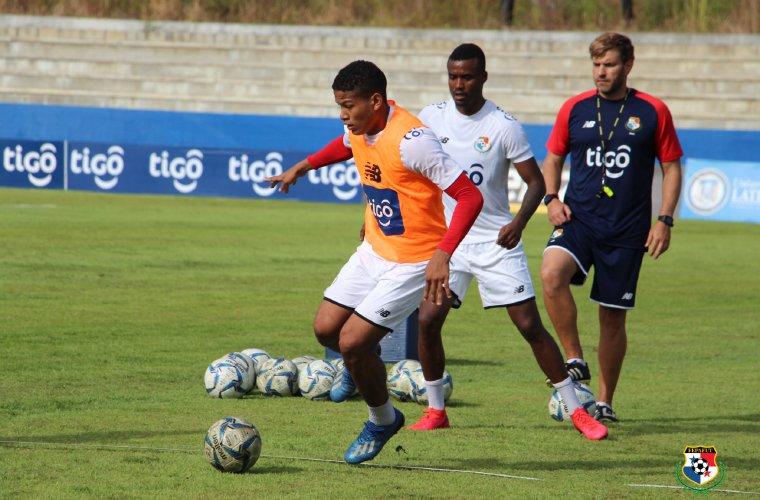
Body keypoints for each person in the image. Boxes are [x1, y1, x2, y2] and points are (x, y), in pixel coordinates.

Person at [267, 60, 484, 464]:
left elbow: (470, 196)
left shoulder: (413, 141)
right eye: (339, 106)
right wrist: (304, 166)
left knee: (353, 342)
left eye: (348, 106)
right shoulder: (359, 126)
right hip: (374, 250)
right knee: (326, 330)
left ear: (376, 101)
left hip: (414, 261)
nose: (343, 115)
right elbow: (345, 145)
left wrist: (443, 254)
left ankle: (382, 419)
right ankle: (360, 367)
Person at [406, 43, 607, 441]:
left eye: (467, 77)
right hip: (451, 243)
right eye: (453, 77)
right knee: (427, 321)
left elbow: (536, 182)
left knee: (530, 326)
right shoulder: (430, 117)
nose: (458, 84)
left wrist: (519, 222)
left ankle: (577, 410)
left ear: (483, 77)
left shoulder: (503, 125)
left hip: (495, 241)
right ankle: (436, 410)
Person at [540, 32, 683, 422]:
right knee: (551, 273)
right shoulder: (574, 108)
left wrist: (664, 220)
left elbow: (671, 168)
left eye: (609, 65)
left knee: (612, 317)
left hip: (627, 230)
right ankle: (574, 358)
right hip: (579, 219)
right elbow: (552, 158)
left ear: (628, 66)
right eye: (596, 65)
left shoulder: (652, 111)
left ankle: (604, 401)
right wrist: (552, 199)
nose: (601, 72)